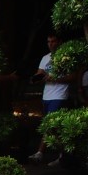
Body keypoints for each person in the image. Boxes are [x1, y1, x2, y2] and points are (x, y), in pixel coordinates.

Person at [29, 33, 70, 164]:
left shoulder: (66, 57)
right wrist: (36, 78)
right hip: (47, 95)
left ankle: (40, 152)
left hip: (59, 95)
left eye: (53, 41)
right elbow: (39, 73)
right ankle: (62, 155)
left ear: (59, 42)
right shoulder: (45, 58)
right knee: (56, 128)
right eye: (48, 41)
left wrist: (56, 78)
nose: (51, 44)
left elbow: (73, 76)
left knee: (49, 125)